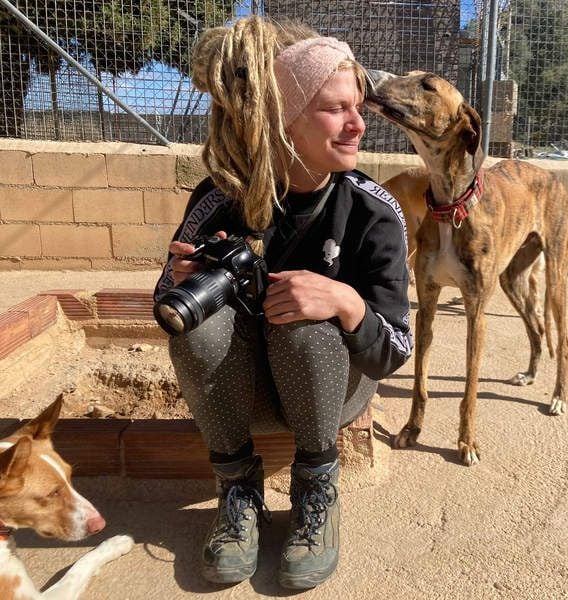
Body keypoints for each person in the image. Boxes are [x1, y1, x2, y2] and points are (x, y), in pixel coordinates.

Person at [153, 16, 412, 590]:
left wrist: (347, 303)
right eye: (335, 109)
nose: (358, 125)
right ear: (284, 121)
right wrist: (181, 280)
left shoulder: (373, 212)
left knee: (307, 322)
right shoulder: (221, 196)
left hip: (328, 390)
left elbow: (395, 350)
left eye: (359, 108)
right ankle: (238, 487)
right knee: (196, 326)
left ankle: (317, 485)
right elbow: (169, 308)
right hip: (245, 392)